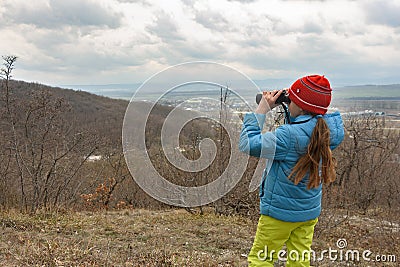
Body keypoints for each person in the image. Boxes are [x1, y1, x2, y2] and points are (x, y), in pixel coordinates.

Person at [239, 75, 345, 266]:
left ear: (301, 106)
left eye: (291, 101)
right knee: (299, 260)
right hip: (307, 214)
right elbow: (305, 127)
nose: (289, 104)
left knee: (261, 259)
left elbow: (248, 144)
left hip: (279, 214)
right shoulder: (326, 132)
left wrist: (262, 109)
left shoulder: (288, 136)